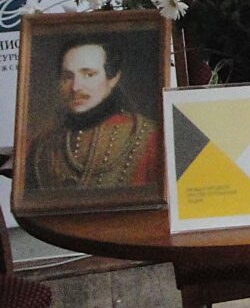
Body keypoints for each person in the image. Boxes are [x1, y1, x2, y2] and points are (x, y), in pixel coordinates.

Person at [26, 36, 162, 193]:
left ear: (113, 78)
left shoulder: (149, 137)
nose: (75, 87)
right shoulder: (41, 146)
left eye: (89, 74)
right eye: (68, 77)